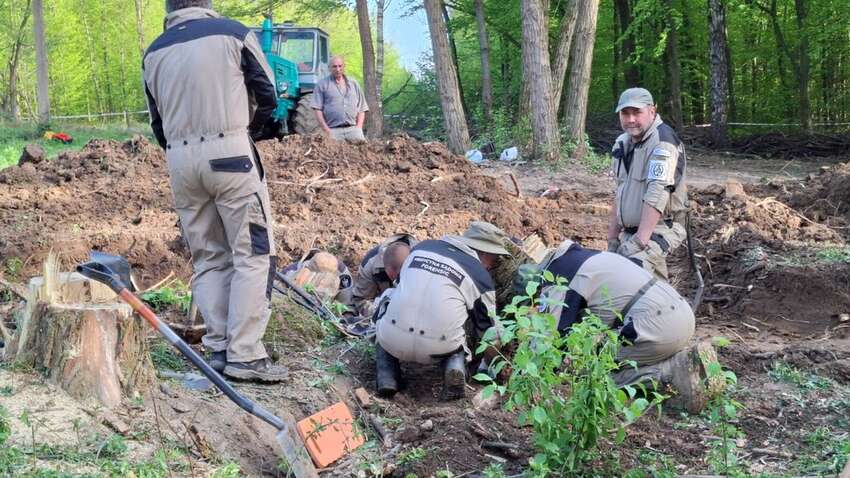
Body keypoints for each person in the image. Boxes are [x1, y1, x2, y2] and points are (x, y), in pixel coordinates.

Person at [143, 0, 287, 382]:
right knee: (253, 254)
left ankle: (220, 347)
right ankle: (246, 354)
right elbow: (268, 92)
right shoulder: (234, 33)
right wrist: (249, 132)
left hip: (180, 162)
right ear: (206, 4)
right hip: (231, 154)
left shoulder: (153, 51)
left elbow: (156, 121)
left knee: (208, 256)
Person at [536, 239, 714, 412]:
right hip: (681, 313)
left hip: (654, 326)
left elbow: (548, 343)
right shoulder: (588, 256)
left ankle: (669, 373)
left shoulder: (558, 274)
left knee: (593, 373)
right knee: (610, 350)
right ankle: (683, 359)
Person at [374, 222, 510, 400]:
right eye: (495, 258)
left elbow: (399, 287)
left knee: (388, 296)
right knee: (463, 322)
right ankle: (455, 364)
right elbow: (489, 331)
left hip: (392, 338)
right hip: (440, 347)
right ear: (484, 252)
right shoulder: (480, 275)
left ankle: (387, 373)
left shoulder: (421, 248)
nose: (493, 265)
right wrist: (495, 367)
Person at [608, 88, 688, 280]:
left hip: (660, 229)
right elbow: (619, 192)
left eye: (637, 112)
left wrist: (639, 242)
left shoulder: (663, 142)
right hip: (631, 232)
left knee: (633, 280)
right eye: (625, 114)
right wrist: (612, 238)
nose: (630, 119)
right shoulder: (622, 143)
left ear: (652, 112)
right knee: (652, 291)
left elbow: (657, 194)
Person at [350, 234, 418, 317]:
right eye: (395, 278)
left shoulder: (421, 260)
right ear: (385, 268)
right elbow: (360, 300)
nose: (397, 283)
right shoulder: (370, 264)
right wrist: (380, 312)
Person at [312, 56, 369, 142]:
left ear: (344, 66)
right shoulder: (322, 85)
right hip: (333, 131)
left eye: (340, 66)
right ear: (329, 68)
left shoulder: (354, 84)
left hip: (353, 130)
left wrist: (359, 127)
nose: (338, 69)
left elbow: (362, 107)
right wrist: (327, 130)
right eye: (334, 66)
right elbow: (317, 109)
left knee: (362, 153)